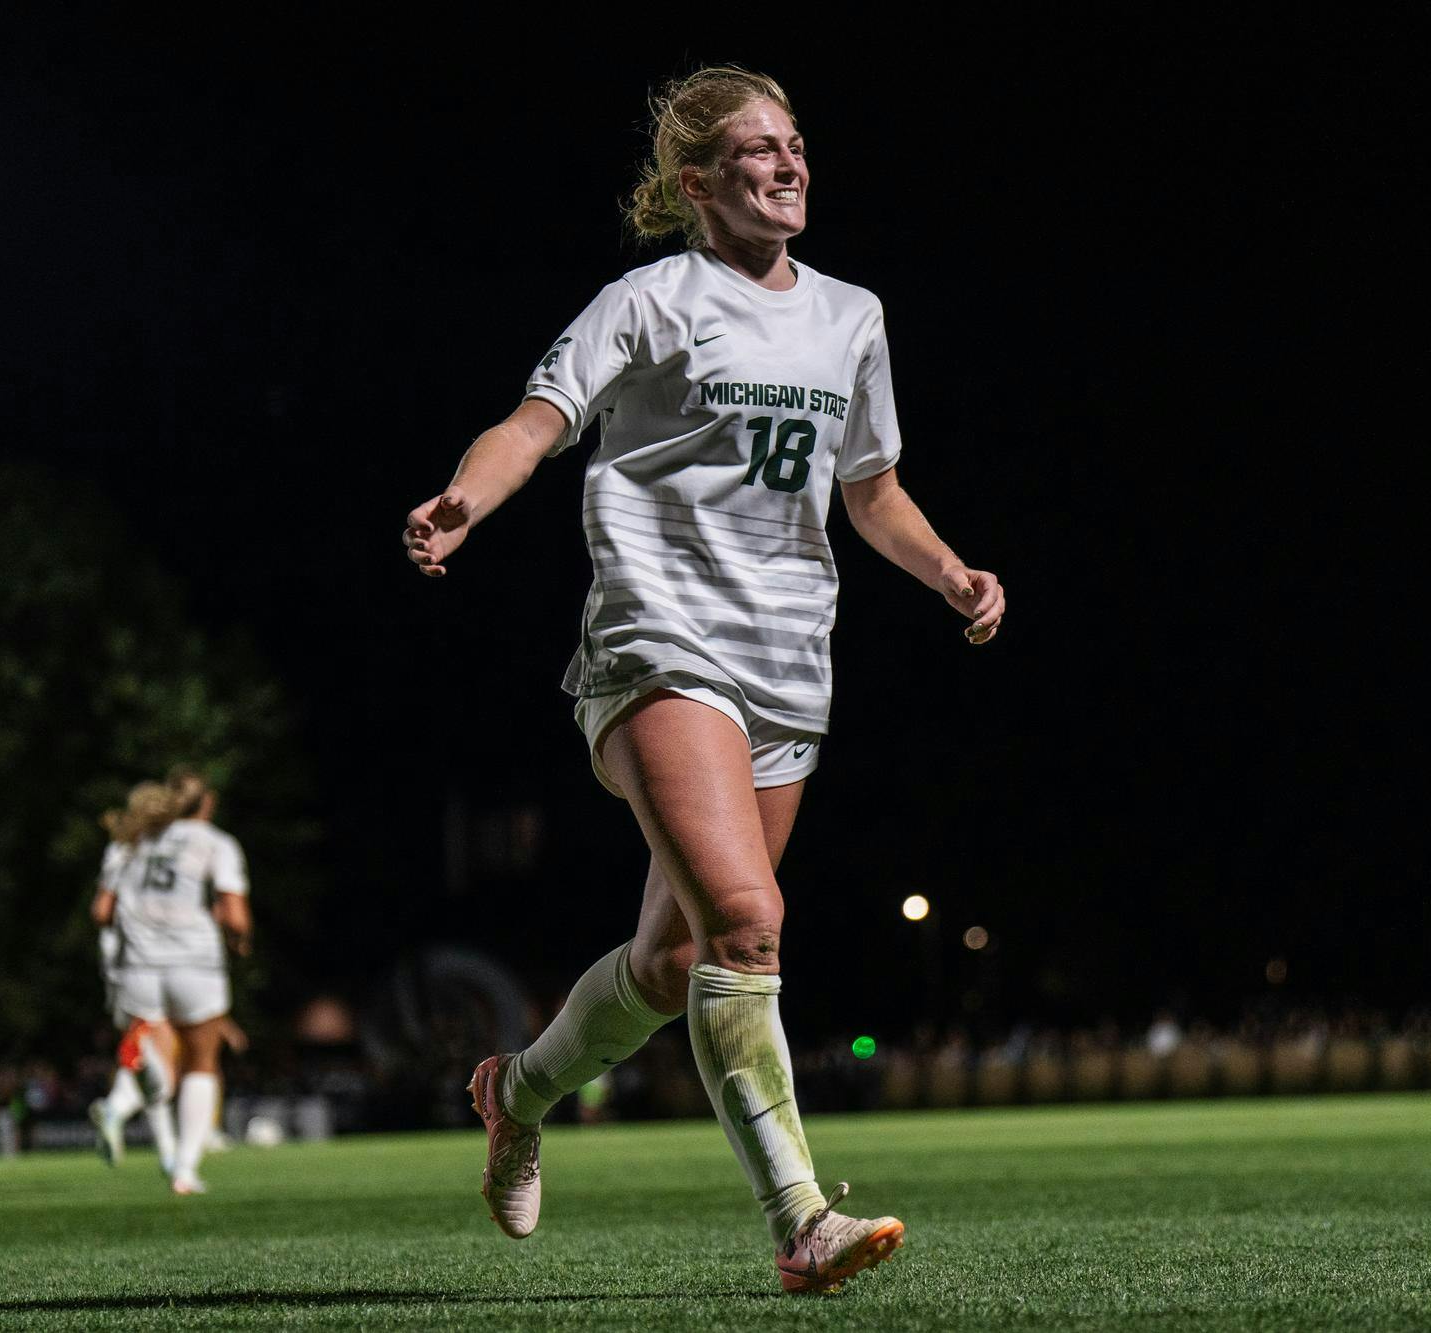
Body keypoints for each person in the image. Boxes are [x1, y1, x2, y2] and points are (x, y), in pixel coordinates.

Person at [404, 66, 1004, 1294]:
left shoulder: (850, 315)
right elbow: (535, 419)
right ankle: (799, 1218)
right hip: (655, 643)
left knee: (680, 966)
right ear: (696, 184)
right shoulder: (651, 299)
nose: (786, 166)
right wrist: (471, 494)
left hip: (788, 662)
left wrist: (949, 572)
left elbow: (869, 487)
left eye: (794, 146)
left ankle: (511, 1092)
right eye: (754, 152)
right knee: (749, 923)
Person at [91, 770, 251, 1194]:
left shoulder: (130, 843)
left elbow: (102, 912)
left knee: (158, 1061)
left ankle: (123, 1101)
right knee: (201, 1064)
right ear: (206, 804)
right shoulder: (215, 843)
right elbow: (235, 915)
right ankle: (184, 1169)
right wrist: (239, 939)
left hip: (138, 967)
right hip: (194, 964)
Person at [88, 803, 180, 1177]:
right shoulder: (148, 853)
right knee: (162, 1052)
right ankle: (119, 1107)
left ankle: (169, 1152)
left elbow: (102, 912)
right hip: (141, 961)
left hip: (120, 959)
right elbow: (105, 909)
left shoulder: (121, 852)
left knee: (146, 1054)